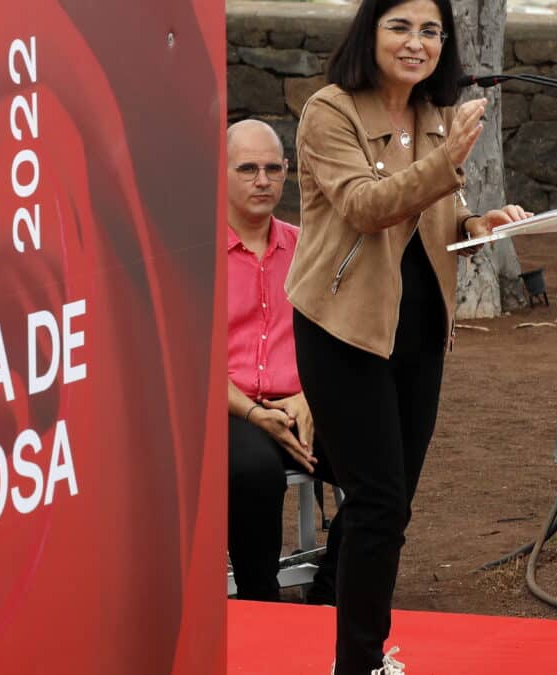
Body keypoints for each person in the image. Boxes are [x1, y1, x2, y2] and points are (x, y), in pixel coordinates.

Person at [284, 1, 532, 673]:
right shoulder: (331, 111)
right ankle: (359, 661)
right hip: (344, 329)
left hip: (419, 330)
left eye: (430, 31)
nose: (416, 43)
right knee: (378, 500)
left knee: (388, 508)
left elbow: (436, 217)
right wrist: (448, 159)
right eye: (401, 26)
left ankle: (349, 627)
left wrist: (483, 226)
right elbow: (367, 207)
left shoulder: (431, 113)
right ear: (371, 32)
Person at [226, 119, 342, 605]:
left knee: (381, 467)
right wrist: (254, 414)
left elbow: (339, 334)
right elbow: (185, 361)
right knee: (253, 472)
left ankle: (332, 593)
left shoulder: (308, 247)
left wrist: (311, 395)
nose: (262, 180)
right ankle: (260, 603)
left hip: (302, 403)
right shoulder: (193, 254)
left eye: (273, 168)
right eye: (248, 168)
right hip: (228, 408)